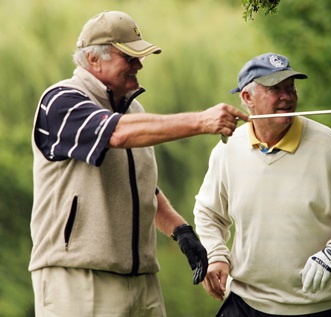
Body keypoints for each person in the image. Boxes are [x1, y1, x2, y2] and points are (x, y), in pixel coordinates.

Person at [29, 10, 248, 317]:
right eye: (129, 57)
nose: (139, 65)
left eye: (139, 57)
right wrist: (201, 121)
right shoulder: (62, 101)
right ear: (94, 60)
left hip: (143, 280)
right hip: (78, 276)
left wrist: (181, 231)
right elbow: (115, 134)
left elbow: (141, 186)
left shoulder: (133, 112)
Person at [193, 53, 331, 316]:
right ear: (247, 98)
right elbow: (208, 212)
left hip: (319, 308)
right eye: (275, 88)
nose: (287, 96)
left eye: (290, 87)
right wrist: (216, 253)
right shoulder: (229, 148)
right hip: (245, 303)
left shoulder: (327, 146)